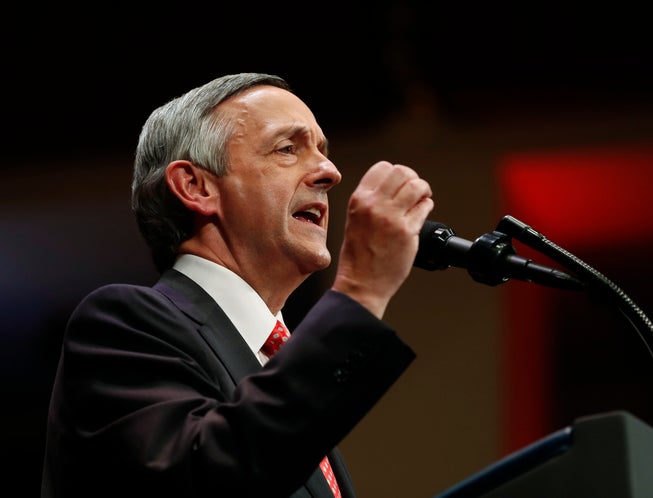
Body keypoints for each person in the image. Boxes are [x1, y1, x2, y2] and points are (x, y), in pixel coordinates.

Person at [41, 72, 434, 498]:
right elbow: (211, 477)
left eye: (323, 151)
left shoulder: (282, 359)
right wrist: (361, 291)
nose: (330, 172)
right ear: (196, 186)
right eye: (288, 148)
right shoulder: (123, 326)